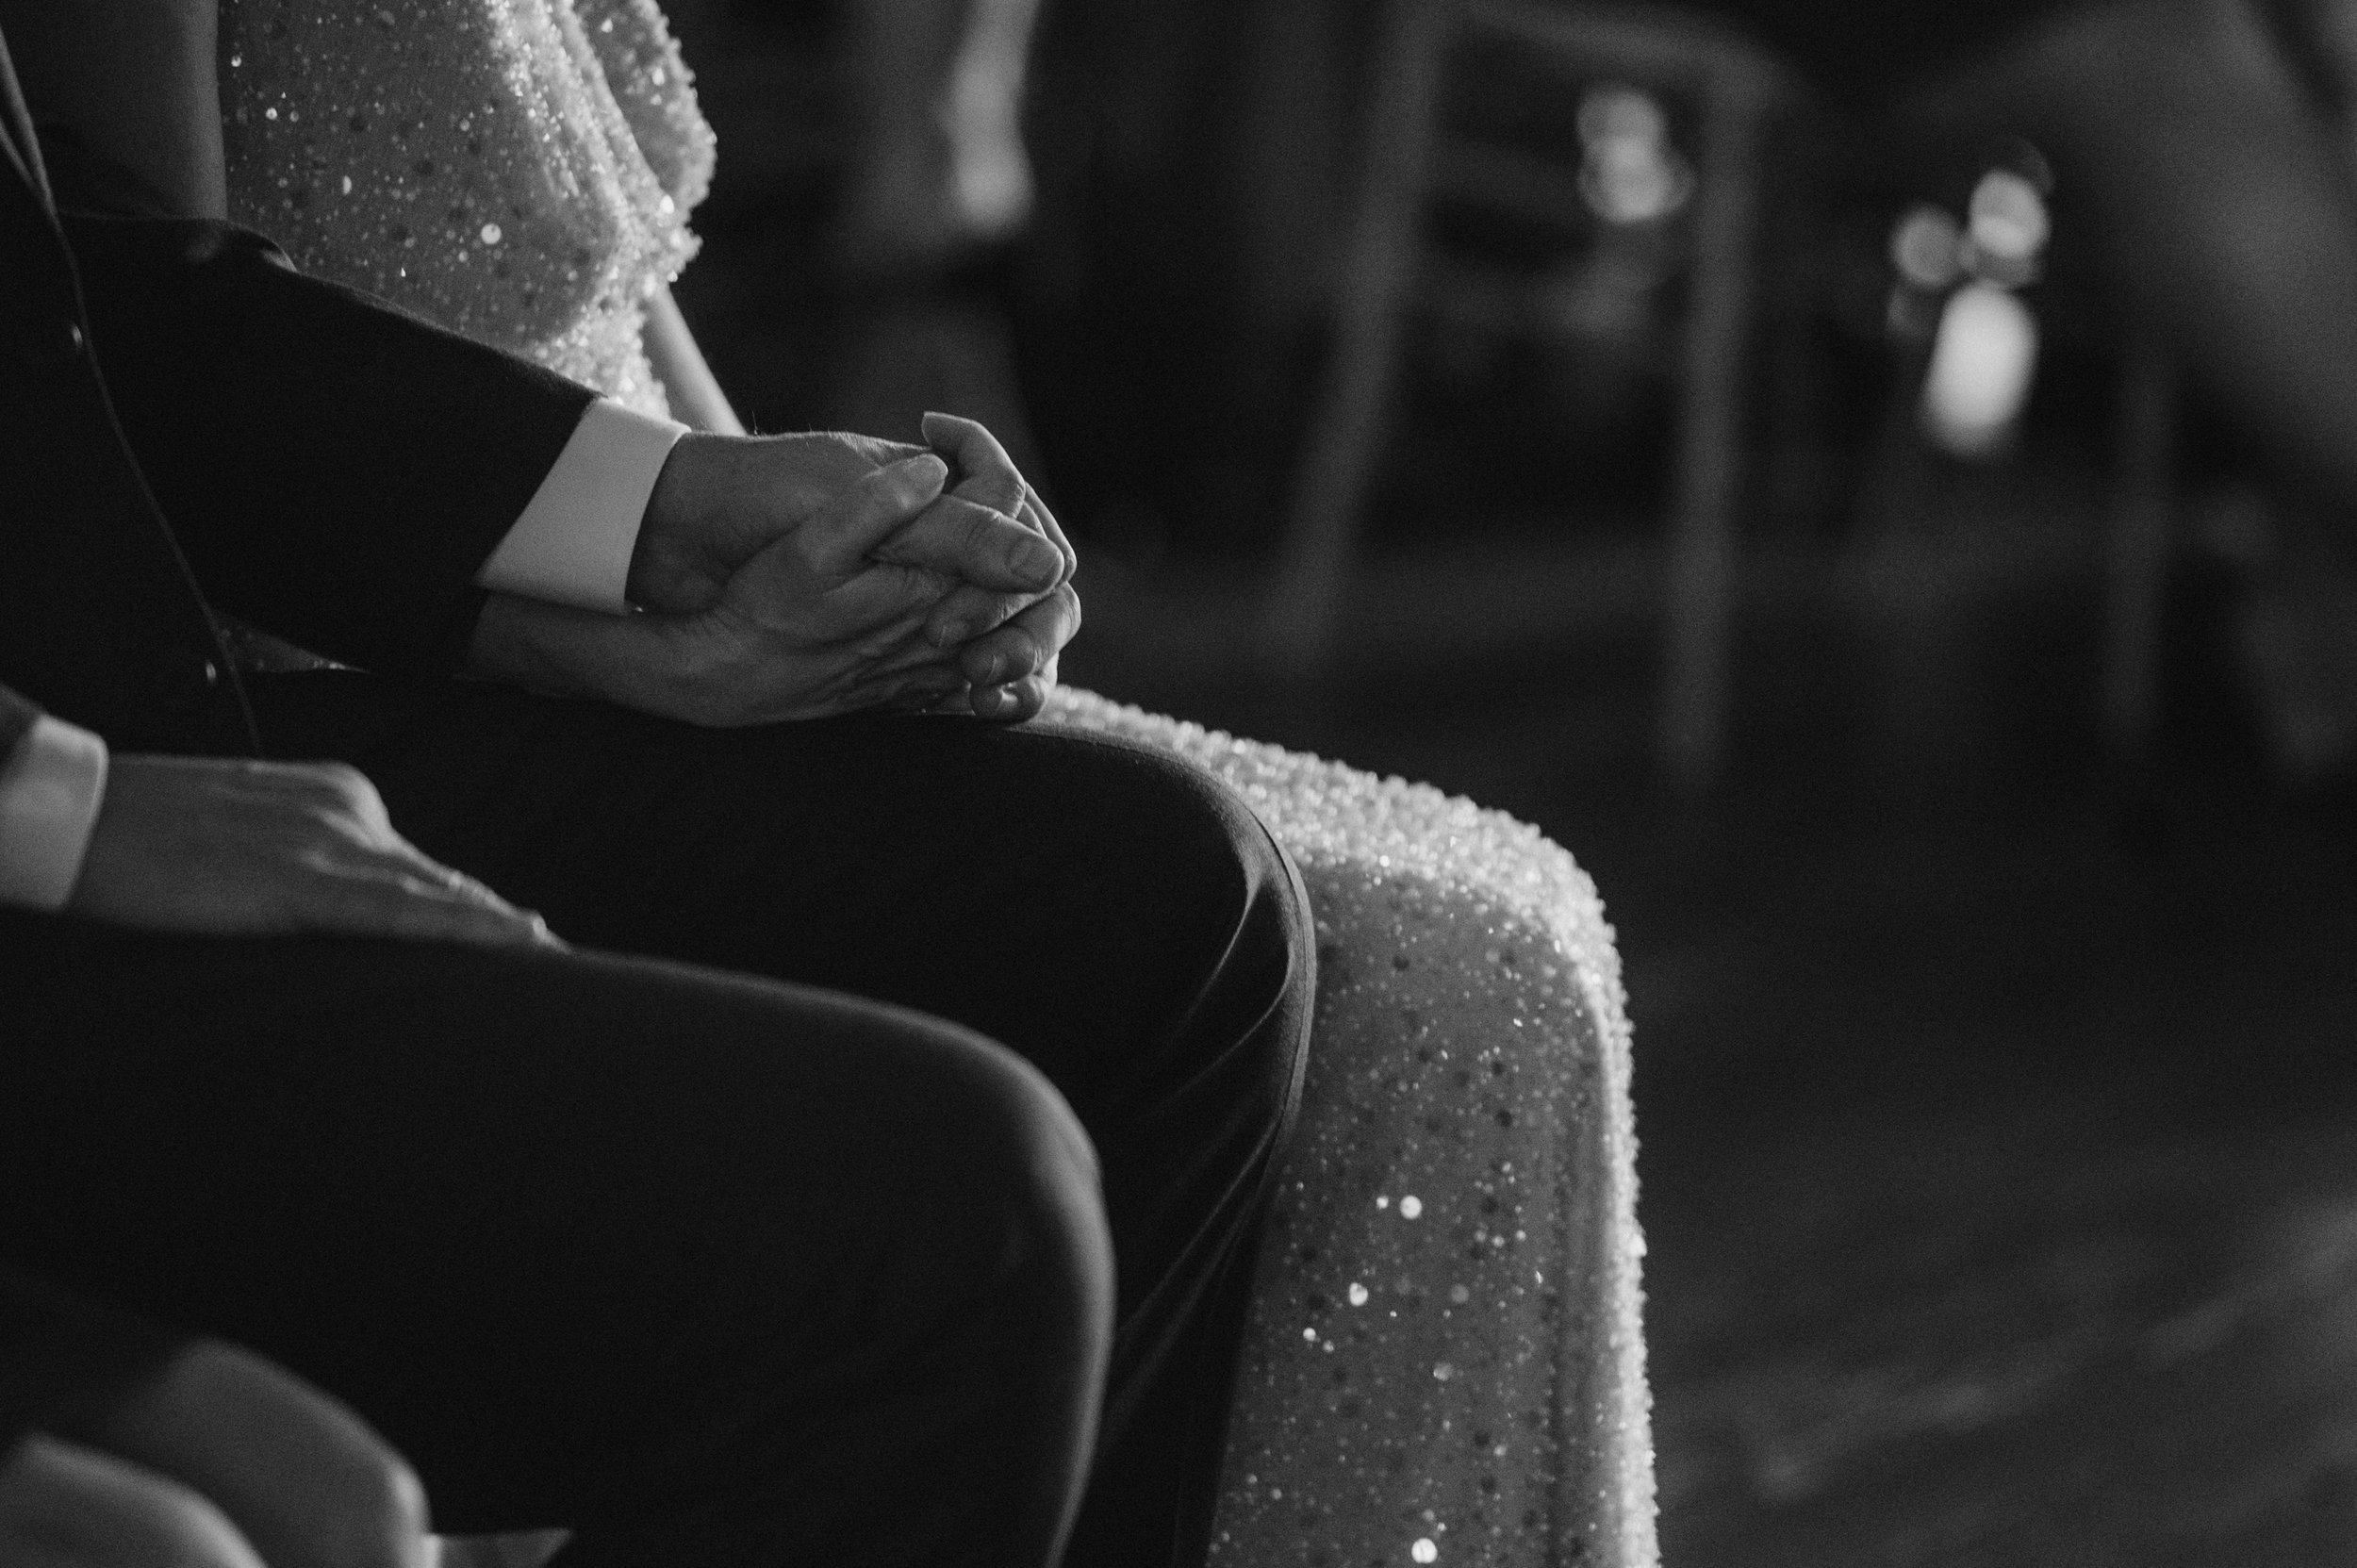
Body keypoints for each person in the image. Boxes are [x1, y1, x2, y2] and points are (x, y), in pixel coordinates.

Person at [17, 2, 1659, 1563]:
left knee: (1176, 891)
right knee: (997, 1197)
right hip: (202, 695)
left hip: (443, 574)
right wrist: (67, 802)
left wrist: (759, 534)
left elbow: (142, 305)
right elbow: (145, 359)